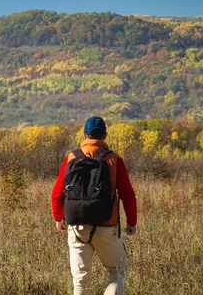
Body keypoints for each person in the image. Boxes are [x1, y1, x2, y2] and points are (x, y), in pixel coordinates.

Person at [52, 116, 137, 295]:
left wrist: (58, 218)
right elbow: (128, 195)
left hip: (76, 225)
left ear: (84, 135)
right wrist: (131, 222)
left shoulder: (71, 158)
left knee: (81, 280)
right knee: (118, 271)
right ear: (105, 136)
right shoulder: (114, 160)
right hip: (107, 225)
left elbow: (57, 193)